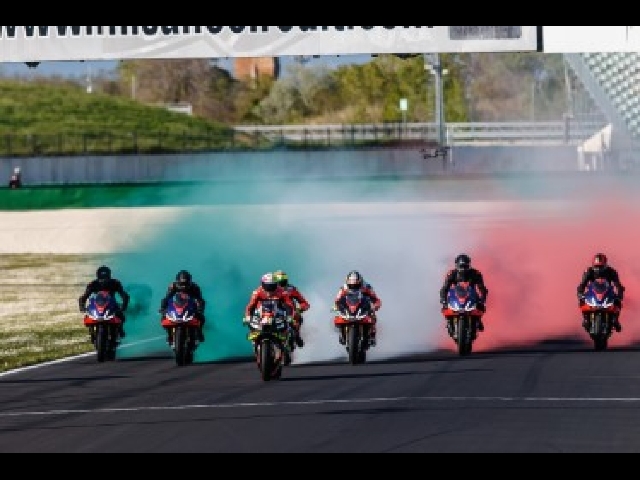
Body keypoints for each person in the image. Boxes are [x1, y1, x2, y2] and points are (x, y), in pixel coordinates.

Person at [439, 254, 489, 333]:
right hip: (455, 296)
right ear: (456, 266)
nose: (463, 269)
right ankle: (449, 322)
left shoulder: (476, 273)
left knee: (481, 307)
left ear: (469, 265)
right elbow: (444, 288)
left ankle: (478, 320)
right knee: (445, 308)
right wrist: (443, 299)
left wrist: (482, 299)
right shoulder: (451, 274)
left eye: (465, 266)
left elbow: (482, 288)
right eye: (461, 266)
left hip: (471, 295)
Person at [577, 253, 625, 332]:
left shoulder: (612, 271)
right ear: (593, 265)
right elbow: (582, 284)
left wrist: (620, 293)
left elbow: (617, 284)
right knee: (582, 300)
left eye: (601, 267)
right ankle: (586, 319)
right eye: (597, 266)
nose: (598, 269)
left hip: (608, 292)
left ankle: (615, 320)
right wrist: (580, 293)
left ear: (605, 265)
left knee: (617, 301)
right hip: (593, 292)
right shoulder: (588, 271)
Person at [79, 265, 130, 340]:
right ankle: (91, 331)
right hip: (97, 305)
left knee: (120, 316)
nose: (104, 280)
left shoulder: (115, 283)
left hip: (111, 304)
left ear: (109, 276)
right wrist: (82, 307)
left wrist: (124, 306)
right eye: (102, 277)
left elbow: (124, 295)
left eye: (105, 277)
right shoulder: (93, 284)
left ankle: (120, 329)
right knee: (88, 316)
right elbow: (84, 297)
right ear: (98, 276)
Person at [333, 270, 381, 346]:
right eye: (351, 285)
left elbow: (376, 299)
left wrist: (376, 305)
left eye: (355, 285)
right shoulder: (343, 288)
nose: (353, 287)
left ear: (360, 282)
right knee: (337, 316)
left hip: (363, 307)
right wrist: (336, 306)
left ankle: (372, 335)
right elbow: (337, 299)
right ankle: (341, 334)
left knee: (373, 315)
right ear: (347, 282)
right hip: (349, 308)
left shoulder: (366, 287)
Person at [159, 270, 207, 345]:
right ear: (177, 281)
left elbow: (200, 299)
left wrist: (200, 309)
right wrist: (162, 308)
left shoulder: (195, 287)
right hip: (177, 307)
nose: (184, 286)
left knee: (201, 318)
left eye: (186, 284)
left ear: (190, 282)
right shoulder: (173, 286)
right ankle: (169, 335)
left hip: (190, 307)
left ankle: (199, 332)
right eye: (182, 284)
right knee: (163, 317)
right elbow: (167, 298)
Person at [274, 270, 310, 349]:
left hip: (290, 313)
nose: (281, 285)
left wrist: (300, 309)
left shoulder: (291, 289)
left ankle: (296, 335)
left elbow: (304, 302)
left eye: (283, 282)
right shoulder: (269, 291)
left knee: (297, 319)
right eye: (279, 283)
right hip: (274, 313)